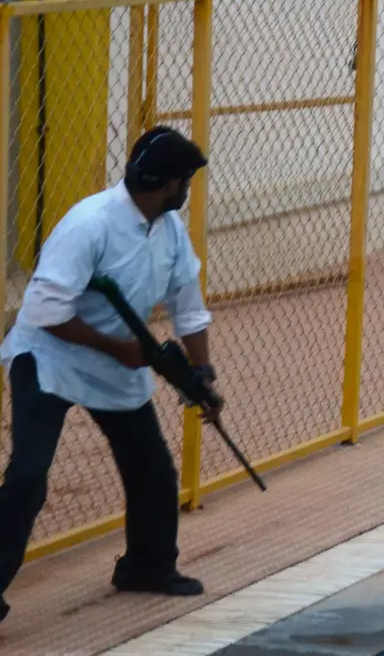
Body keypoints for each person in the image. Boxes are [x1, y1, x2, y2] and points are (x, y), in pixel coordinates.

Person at [0, 126, 223, 624]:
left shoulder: (167, 230)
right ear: (170, 184)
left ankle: (147, 566)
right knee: (29, 475)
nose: (187, 191)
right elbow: (43, 310)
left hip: (119, 362)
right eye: (185, 181)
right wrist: (116, 347)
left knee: (152, 472)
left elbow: (188, 308)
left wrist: (201, 376)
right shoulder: (90, 225)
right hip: (49, 359)